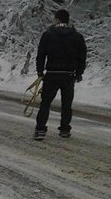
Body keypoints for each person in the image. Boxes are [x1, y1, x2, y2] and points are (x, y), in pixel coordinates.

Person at [34, 9, 87, 139]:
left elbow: (41, 55)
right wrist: (79, 73)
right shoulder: (77, 37)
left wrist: (40, 71)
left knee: (45, 103)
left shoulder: (48, 35)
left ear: (57, 19)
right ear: (67, 20)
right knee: (66, 104)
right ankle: (64, 129)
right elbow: (82, 57)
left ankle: (40, 129)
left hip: (52, 73)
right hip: (69, 74)